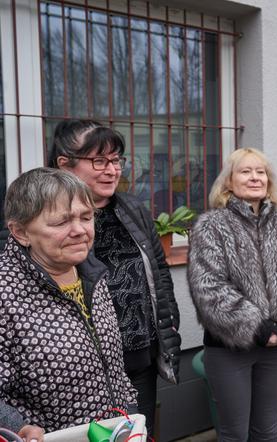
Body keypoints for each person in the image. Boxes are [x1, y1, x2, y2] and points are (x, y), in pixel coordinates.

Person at [47, 119, 181, 437]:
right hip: (82, 369)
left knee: (137, 432)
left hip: (140, 357)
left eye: (116, 160)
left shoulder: (132, 209)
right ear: (64, 164)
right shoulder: (47, 223)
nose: (112, 170)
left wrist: (168, 318)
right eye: (99, 161)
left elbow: (159, 270)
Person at [187, 147, 277, 442]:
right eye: (245, 171)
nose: (255, 177)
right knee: (234, 434)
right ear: (229, 182)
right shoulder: (211, 226)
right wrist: (256, 327)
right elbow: (209, 287)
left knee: (268, 430)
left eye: (261, 172)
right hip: (229, 348)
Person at [0, 168, 137, 436]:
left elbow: (112, 365)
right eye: (60, 222)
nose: (79, 230)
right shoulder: (5, 294)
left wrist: (129, 409)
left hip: (114, 430)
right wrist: (18, 427)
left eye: (86, 217)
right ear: (20, 232)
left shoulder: (91, 273)